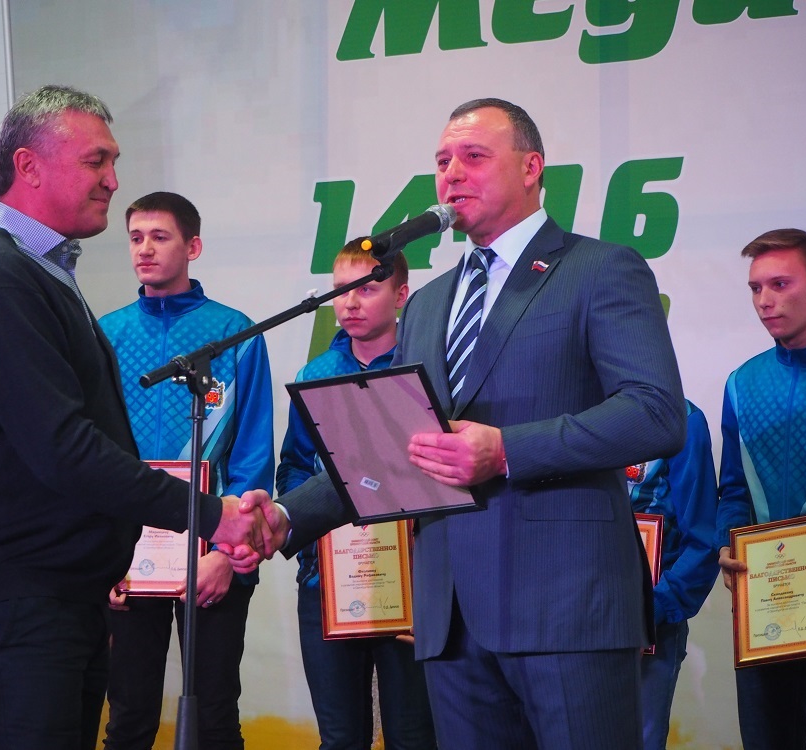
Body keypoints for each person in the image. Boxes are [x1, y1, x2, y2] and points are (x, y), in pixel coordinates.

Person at [244, 98, 687, 749]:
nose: (451, 174)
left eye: (473, 156)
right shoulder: (427, 304)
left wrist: (507, 450)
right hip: (451, 621)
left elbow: (655, 412)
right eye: (442, 161)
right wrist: (287, 516)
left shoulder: (598, 269)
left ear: (531, 168)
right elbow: (394, 450)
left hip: (567, 610)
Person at [0, 85, 272, 750]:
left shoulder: (37, 269)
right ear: (29, 167)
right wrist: (212, 515)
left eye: (113, 162)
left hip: (59, 598)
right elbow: (64, 448)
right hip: (18, 605)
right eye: (96, 161)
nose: (112, 180)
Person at [99, 191, 275, 750]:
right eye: (135, 238)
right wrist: (102, 559)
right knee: (128, 718)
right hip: (127, 560)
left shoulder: (234, 334)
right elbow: (91, 456)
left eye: (160, 236)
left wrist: (226, 554)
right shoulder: (107, 335)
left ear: (192, 246)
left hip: (212, 557)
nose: (144, 249)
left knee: (215, 717)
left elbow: (252, 456)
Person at [277, 240, 436, 749]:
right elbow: (294, 466)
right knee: (341, 737)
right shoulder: (314, 375)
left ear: (401, 295)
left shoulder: (425, 367)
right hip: (328, 579)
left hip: (411, 582)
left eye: (367, 289)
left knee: (414, 736)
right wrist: (313, 541)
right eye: (340, 291)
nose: (349, 303)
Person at [715, 228, 806, 750]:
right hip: (769, 595)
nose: (764, 300)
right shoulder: (741, 383)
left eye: (780, 284)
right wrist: (729, 541)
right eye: (756, 288)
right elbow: (733, 487)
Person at [626, 399, 719, 750]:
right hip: (574, 618)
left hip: (652, 623)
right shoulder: (574, 412)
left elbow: (704, 541)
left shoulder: (682, 418)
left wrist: (653, 610)